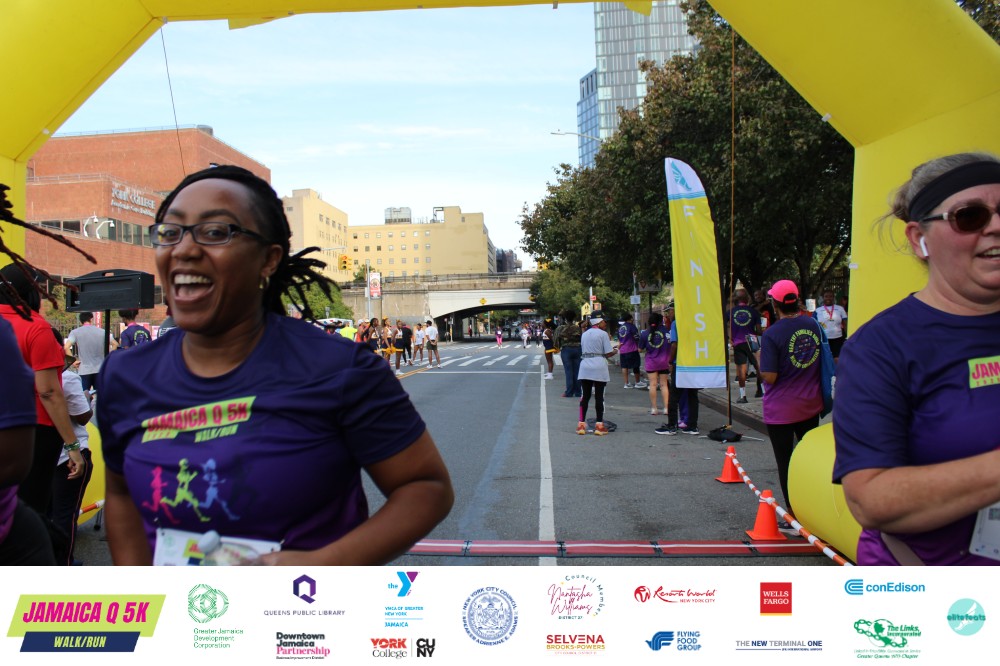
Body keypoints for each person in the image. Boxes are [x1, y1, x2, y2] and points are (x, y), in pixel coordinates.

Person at [97, 165, 453, 565]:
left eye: (215, 232)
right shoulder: (123, 376)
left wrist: (324, 565)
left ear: (268, 259)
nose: (183, 249)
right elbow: (121, 494)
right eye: (170, 232)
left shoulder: (342, 370)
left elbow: (426, 487)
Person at [833, 152, 1000, 566]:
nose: (995, 226)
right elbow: (870, 499)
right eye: (970, 216)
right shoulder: (880, 347)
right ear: (918, 239)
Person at [0, 264, 86, 514]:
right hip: (33, 431)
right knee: (29, 508)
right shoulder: (36, 327)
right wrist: (73, 447)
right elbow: (47, 391)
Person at [759, 279, 824, 519]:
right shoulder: (813, 324)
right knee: (809, 460)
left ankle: (794, 515)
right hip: (811, 404)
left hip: (781, 410)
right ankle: (815, 511)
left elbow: (770, 376)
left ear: (774, 304)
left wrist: (757, 356)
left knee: (786, 462)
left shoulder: (772, 334)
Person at [53, 340, 94, 565]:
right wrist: (86, 399)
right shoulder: (67, 378)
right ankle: (63, 564)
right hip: (67, 456)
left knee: (42, 513)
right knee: (65, 515)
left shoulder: (21, 376)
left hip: (37, 454)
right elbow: (82, 416)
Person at [656, 315, 701, 436]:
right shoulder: (696, 321)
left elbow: (674, 344)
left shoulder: (677, 323)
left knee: (674, 396)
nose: (669, 313)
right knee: (692, 395)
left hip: (680, 363)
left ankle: (672, 426)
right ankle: (693, 426)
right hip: (694, 362)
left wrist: (670, 361)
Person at [576, 312, 617, 436]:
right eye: (604, 321)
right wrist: (616, 350)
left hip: (585, 365)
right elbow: (608, 353)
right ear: (598, 322)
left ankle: (581, 425)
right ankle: (599, 426)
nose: (605, 323)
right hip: (599, 365)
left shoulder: (584, 334)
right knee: (599, 397)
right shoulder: (603, 334)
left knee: (585, 396)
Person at [65, 312, 116, 391]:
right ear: (91, 319)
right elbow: (115, 344)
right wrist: (107, 358)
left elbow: (66, 347)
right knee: (100, 395)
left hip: (84, 369)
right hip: (100, 368)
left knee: (85, 395)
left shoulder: (75, 332)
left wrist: (73, 361)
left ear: (81, 321)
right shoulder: (102, 331)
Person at [729, 289, 763, 402]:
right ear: (747, 299)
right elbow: (759, 330)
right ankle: (763, 392)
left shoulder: (731, 312)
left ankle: (743, 396)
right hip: (752, 339)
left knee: (741, 370)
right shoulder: (753, 311)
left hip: (738, 342)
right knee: (759, 367)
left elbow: (723, 324)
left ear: (736, 299)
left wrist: (730, 338)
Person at [638, 312, 671, 416]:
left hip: (651, 362)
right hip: (664, 361)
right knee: (664, 385)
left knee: (652, 384)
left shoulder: (645, 333)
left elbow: (640, 349)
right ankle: (666, 408)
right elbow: (671, 344)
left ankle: (654, 408)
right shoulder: (666, 331)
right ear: (661, 321)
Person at [814, 288, 848, 361]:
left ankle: (836, 369)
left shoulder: (840, 309)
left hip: (838, 338)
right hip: (824, 339)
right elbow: (814, 325)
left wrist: (848, 335)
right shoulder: (818, 310)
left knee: (837, 358)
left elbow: (845, 323)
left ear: (833, 297)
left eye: (830, 296)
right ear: (823, 298)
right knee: (825, 358)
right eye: (826, 296)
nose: (828, 298)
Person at [556, 312, 582, 398]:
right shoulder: (578, 328)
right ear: (574, 318)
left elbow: (556, 340)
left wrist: (559, 347)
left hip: (566, 350)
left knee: (568, 371)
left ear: (565, 319)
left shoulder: (561, 328)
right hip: (578, 349)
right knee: (577, 371)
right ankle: (578, 392)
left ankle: (569, 392)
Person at [616, 313, 646, 389]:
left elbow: (619, 338)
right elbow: (636, 337)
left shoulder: (620, 328)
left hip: (623, 350)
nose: (633, 319)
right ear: (630, 319)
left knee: (624, 366)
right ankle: (637, 382)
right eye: (632, 318)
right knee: (636, 365)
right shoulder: (632, 326)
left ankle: (626, 383)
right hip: (632, 349)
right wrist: (640, 346)